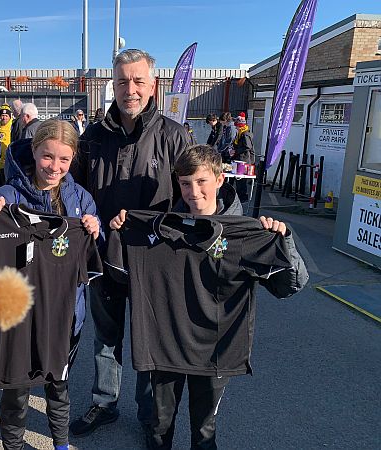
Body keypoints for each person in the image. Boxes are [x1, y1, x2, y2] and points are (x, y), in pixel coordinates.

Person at [108, 144, 308, 449]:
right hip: (166, 345)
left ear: (219, 180)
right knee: (159, 426)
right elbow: (118, 276)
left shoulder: (245, 232)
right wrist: (118, 233)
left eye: (201, 181)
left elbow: (290, 286)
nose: (193, 192)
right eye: (185, 183)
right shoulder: (157, 230)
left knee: (204, 430)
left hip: (216, 348)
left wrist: (284, 242)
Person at [0, 119, 102, 450]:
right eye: (47, 156)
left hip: (63, 317)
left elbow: (96, 256)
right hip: (18, 316)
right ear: (34, 151)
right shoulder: (7, 196)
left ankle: (61, 445)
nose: (54, 166)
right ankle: (14, 446)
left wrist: (96, 231)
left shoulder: (81, 200)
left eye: (64, 160)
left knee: (58, 386)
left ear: (73, 159)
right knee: (16, 391)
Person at [70, 48, 191, 437]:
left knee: (147, 342)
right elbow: (69, 189)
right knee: (106, 338)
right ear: (114, 85)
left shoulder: (174, 136)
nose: (130, 89)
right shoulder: (92, 137)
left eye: (138, 81)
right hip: (104, 257)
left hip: (154, 262)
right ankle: (104, 403)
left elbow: (194, 195)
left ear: (152, 84)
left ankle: (148, 414)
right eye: (123, 81)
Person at [230, 112, 254, 202]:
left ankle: (243, 198)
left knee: (241, 181)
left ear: (240, 126)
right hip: (239, 159)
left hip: (243, 160)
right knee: (238, 181)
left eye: (236, 126)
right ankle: (241, 198)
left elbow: (247, 147)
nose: (236, 128)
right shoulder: (241, 133)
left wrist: (236, 151)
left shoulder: (245, 134)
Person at [0, 104, 13, 182]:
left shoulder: (13, 127)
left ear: (10, 116)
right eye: (2, 115)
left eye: (6, 115)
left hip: (7, 163)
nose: (4, 118)